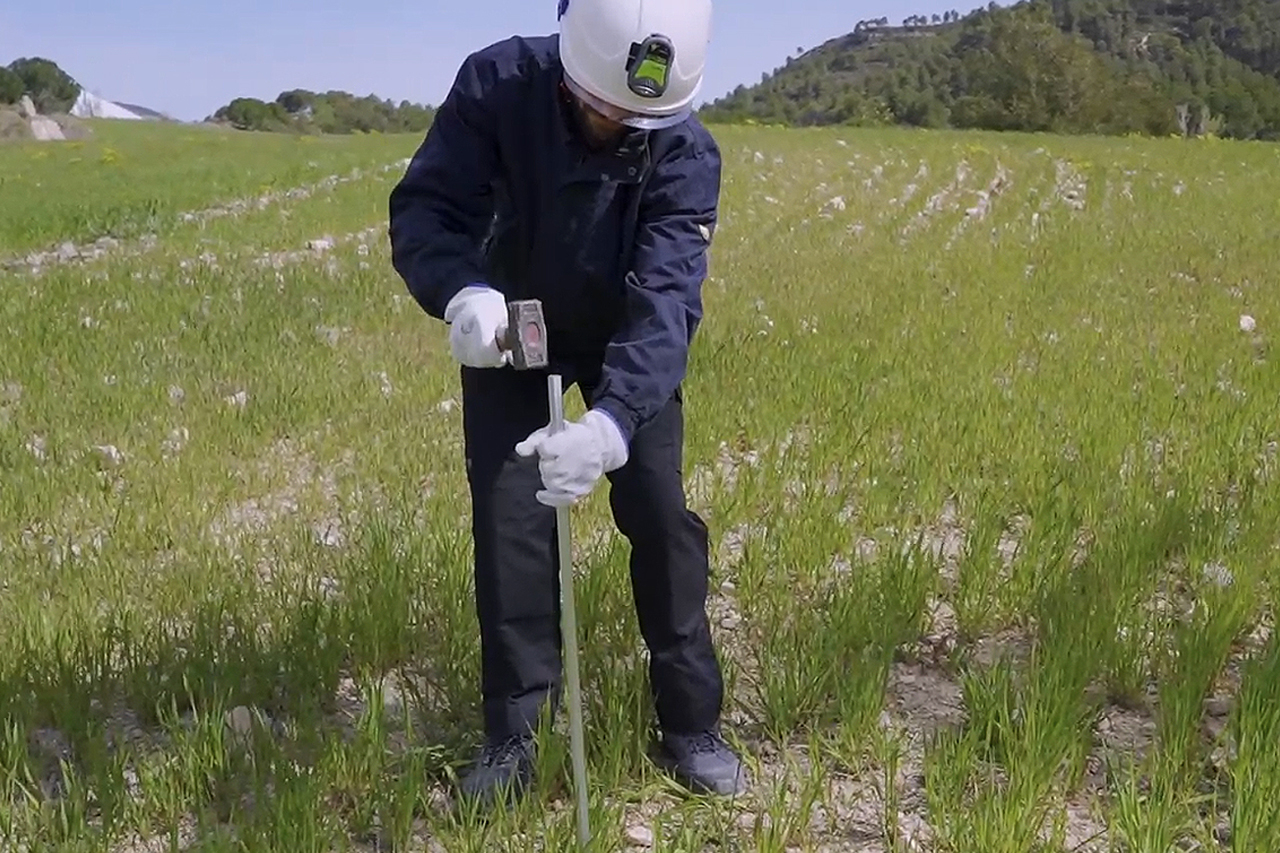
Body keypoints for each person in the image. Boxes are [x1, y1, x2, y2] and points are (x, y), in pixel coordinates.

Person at [387, 0, 745, 807]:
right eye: (600, 103)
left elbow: (667, 301)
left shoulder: (685, 151)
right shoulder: (495, 85)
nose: (616, 121)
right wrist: (461, 292)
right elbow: (426, 208)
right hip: (512, 326)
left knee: (659, 511)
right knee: (511, 518)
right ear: (568, 62)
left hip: (624, 335)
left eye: (636, 116)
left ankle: (691, 720)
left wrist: (613, 425)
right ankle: (516, 734)